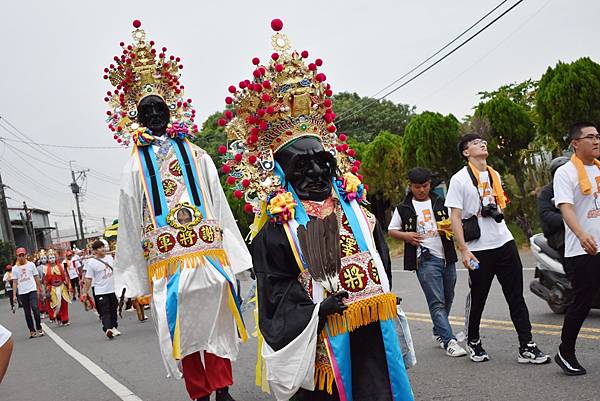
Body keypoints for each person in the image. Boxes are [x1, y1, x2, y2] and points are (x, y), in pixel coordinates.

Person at [223, 19, 413, 401]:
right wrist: (315, 311)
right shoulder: (276, 231)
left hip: (371, 327)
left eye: (321, 162)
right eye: (301, 166)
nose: (315, 173)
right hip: (322, 337)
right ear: (280, 174)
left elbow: (379, 261)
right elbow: (274, 294)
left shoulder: (362, 213)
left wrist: (382, 290)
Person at [108, 20, 252, 401]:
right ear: (136, 118)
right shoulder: (133, 167)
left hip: (208, 254)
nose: (155, 116)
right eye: (147, 111)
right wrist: (131, 276)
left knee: (218, 319)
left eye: (160, 108)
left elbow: (219, 204)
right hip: (168, 264)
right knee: (182, 327)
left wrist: (237, 256)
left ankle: (222, 388)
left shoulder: (197, 153)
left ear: (171, 110)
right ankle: (200, 392)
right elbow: (129, 222)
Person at [445, 133, 549, 364]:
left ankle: (527, 346)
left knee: (515, 297)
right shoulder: (459, 179)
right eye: (474, 143)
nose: (482, 144)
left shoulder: (495, 174)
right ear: (466, 152)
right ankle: (473, 341)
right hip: (478, 248)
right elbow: (455, 215)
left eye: (483, 141)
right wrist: (463, 249)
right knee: (479, 298)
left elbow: (500, 206)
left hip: (504, 242)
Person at [388, 167, 466, 357]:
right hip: (424, 259)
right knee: (436, 301)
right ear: (410, 186)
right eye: (417, 187)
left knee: (448, 296)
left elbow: (456, 221)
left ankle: (438, 331)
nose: (421, 190)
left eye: (425, 186)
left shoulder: (441, 202)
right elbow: (391, 230)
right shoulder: (403, 208)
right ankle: (449, 341)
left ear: (430, 185)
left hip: (446, 256)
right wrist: (406, 235)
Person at [553, 122, 600, 376]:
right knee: (582, 302)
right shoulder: (566, 172)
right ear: (575, 143)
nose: (596, 141)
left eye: (598, 136)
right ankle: (565, 352)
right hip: (583, 250)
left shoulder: (599, 169)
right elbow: (566, 207)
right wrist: (582, 235)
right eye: (590, 137)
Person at [81, 240, 118, 339]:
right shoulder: (91, 263)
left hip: (112, 289)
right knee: (105, 311)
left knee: (114, 309)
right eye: (100, 248)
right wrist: (84, 292)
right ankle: (108, 328)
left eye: (103, 247)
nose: (103, 249)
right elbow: (88, 279)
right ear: (95, 251)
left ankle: (114, 326)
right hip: (100, 291)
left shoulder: (110, 258)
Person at [537, 156, 570, 259]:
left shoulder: (578, 187)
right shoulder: (547, 192)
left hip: (579, 229)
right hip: (558, 234)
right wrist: (568, 220)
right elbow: (545, 213)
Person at [11, 248, 44, 338]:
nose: (21, 257)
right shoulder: (14, 268)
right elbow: (14, 282)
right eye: (19, 255)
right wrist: (14, 295)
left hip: (32, 290)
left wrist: (40, 289)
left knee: (35, 308)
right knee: (27, 312)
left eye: (23, 255)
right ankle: (32, 330)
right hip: (22, 292)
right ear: (17, 256)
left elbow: (36, 277)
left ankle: (39, 327)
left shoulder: (31, 265)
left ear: (25, 255)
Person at [44, 250, 72, 326]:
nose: (52, 259)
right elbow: (45, 280)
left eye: (53, 257)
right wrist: (46, 289)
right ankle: (58, 317)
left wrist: (68, 285)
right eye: (50, 258)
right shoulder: (46, 269)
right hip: (52, 288)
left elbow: (65, 276)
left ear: (55, 258)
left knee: (64, 303)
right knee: (55, 303)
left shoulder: (61, 266)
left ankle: (65, 319)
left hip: (62, 286)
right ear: (48, 259)